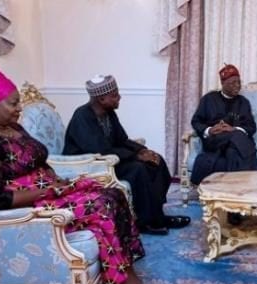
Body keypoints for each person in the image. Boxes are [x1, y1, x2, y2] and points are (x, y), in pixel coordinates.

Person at [0, 68, 157, 284]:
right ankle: (125, 283)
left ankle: (124, 273)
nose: (19, 108)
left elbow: (38, 161)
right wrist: (48, 191)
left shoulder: (13, 129)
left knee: (113, 193)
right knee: (102, 204)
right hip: (29, 208)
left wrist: (56, 183)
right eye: (12, 104)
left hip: (49, 192)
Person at [63, 75, 189, 236]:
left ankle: (157, 215)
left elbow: (122, 140)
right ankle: (145, 223)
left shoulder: (108, 113)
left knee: (157, 161)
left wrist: (142, 150)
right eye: (115, 95)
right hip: (89, 166)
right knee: (138, 169)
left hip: (109, 160)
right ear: (102, 98)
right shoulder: (82, 116)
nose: (119, 97)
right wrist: (136, 157)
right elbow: (99, 149)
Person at [190, 64, 257, 184]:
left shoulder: (243, 102)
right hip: (215, 140)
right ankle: (255, 178)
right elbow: (196, 121)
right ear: (223, 84)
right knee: (238, 137)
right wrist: (210, 130)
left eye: (239, 82)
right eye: (232, 83)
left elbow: (251, 127)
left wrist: (234, 129)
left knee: (232, 150)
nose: (237, 86)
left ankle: (231, 189)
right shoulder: (208, 99)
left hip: (235, 145)